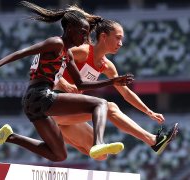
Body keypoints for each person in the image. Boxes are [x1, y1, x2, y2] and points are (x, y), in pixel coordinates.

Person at [0, 1, 134, 161]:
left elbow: (81, 85)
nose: (86, 37)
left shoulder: (68, 54)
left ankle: (10, 136)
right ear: (70, 29)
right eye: (83, 32)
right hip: (40, 95)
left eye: (87, 33)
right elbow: (23, 52)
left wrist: (112, 81)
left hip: (34, 103)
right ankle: (98, 143)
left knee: (59, 155)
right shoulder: (56, 43)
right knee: (101, 104)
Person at [52, 11, 179, 160]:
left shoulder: (107, 66)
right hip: (54, 105)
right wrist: (64, 82)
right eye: (117, 38)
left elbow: (126, 93)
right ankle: (153, 140)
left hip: (67, 116)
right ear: (103, 37)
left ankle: (58, 136)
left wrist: (149, 111)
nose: (121, 43)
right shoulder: (83, 52)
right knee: (108, 107)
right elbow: (51, 63)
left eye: (122, 39)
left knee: (101, 155)